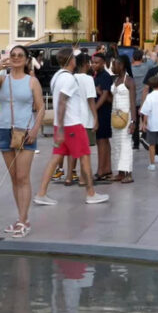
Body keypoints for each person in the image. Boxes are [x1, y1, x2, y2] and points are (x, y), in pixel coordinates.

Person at [34, 48, 109, 205]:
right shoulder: (68, 79)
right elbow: (62, 101)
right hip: (72, 124)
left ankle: (41, 193)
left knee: (55, 159)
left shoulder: (57, 76)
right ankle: (90, 193)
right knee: (85, 156)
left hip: (62, 124)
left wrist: (59, 127)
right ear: (71, 61)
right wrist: (62, 127)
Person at [0, 45, 44, 238]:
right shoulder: (3, 79)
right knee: (13, 177)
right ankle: (21, 219)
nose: (17, 58)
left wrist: (35, 129)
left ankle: (23, 220)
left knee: (22, 176)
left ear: (27, 59)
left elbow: (41, 107)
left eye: (20, 55)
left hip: (25, 130)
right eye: (13, 55)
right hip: (5, 129)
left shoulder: (32, 81)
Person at [71, 52, 98, 186]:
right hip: (86, 118)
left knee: (74, 149)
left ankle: (69, 176)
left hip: (73, 118)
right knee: (85, 150)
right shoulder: (88, 79)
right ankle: (83, 178)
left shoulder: (72, 78)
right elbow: (91, 100)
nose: (91, 65)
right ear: (85, 64)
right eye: (89, 62)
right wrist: (95, 117)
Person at [110, 56, 137, 183]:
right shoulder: (116, 80)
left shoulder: (129, 81)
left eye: (114, 65)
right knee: (116, 145)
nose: (112, 67)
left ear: (121, 65)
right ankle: (120, 172)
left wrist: (133, 122)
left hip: (126, 117)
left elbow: (132, 102)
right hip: (115, 116)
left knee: (126, 145)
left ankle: (129, 173)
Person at [91, 53, 113, 182]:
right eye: (93, 62)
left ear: (103, 63)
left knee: (102, 141)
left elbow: (105, 96)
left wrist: (94, 110)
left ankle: (101, 170)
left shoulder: (105, 76)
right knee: (103, 141)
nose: (94, 64)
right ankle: (107, 168)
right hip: (100, 111)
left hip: (103, 112)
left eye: (97, 62)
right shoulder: (96, 76)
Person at [140, 76, 158, 171]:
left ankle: (152, 164)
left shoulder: (149, 97)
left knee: (152, 144)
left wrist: (144, 123)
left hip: (152, 124)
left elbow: (146, 111)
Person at [131, 49, 151, 150]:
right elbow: (153, 60)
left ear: (133, 57)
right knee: (145, 120)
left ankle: (135, 143)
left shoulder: (130, 69)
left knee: (134, 120)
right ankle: (146, 139)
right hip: (144, 98)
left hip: (133, 98)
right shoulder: (146, 67)